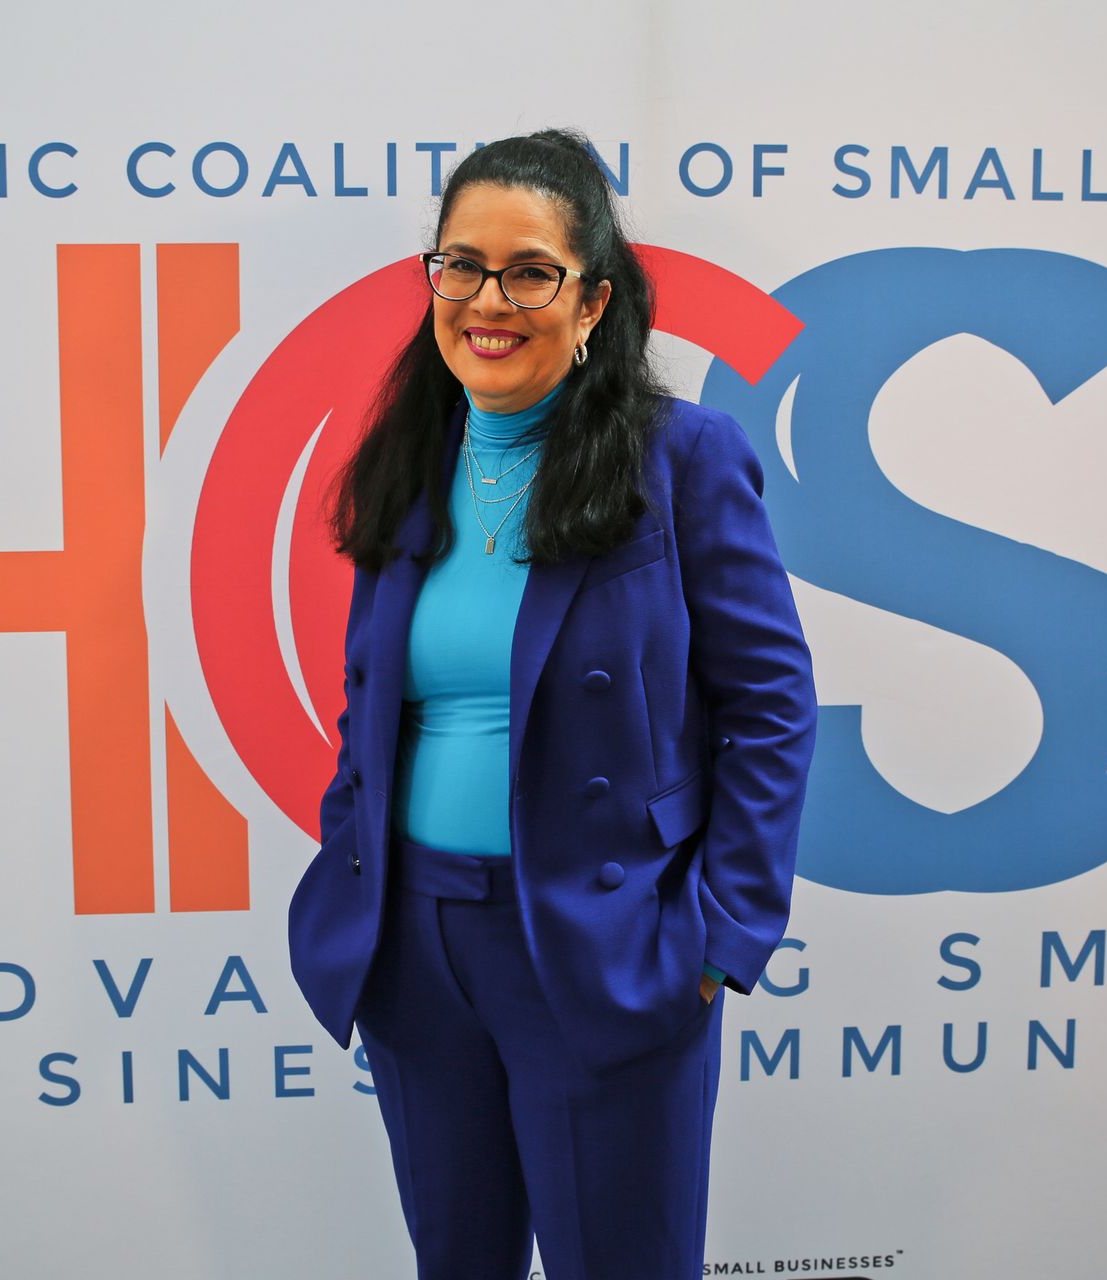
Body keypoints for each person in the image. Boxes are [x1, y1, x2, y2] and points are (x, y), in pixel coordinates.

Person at [287, 127, 818, 1279]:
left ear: (591, 301)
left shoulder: (681, 459)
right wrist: (356, 854)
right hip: (419, 950)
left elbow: (773, 702)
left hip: (602, 938)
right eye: (460, 264)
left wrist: (722, 933)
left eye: (530, 270)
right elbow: (373, 697)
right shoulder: (408, 457)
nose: (490, 297)